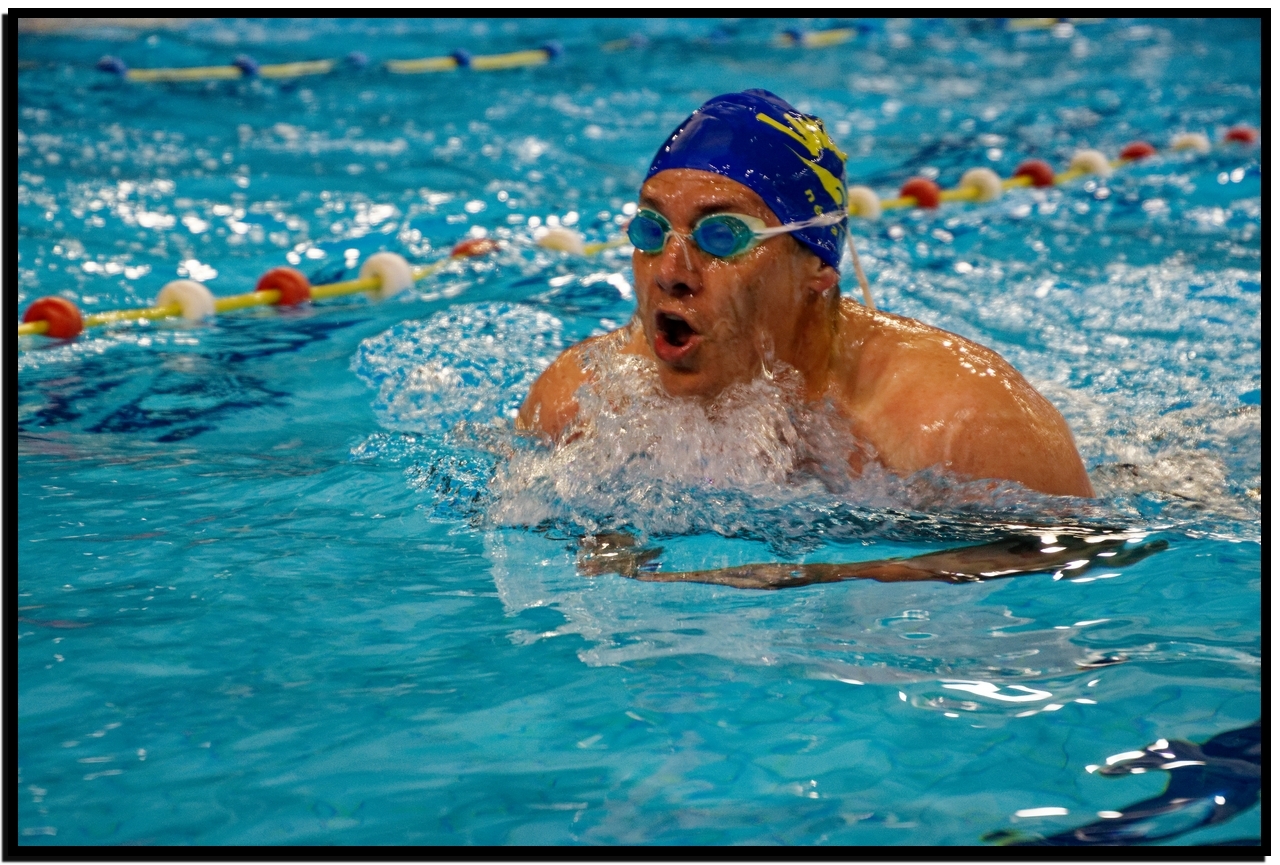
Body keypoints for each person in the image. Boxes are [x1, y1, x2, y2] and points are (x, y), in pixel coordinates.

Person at [518, 89, 1093, 499]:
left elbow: (1075, 556)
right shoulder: (577, 401)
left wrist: (816, 575)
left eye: (722, 235)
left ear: (817, 265)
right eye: (652, 230)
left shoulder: (959, 425)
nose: (672, 272)